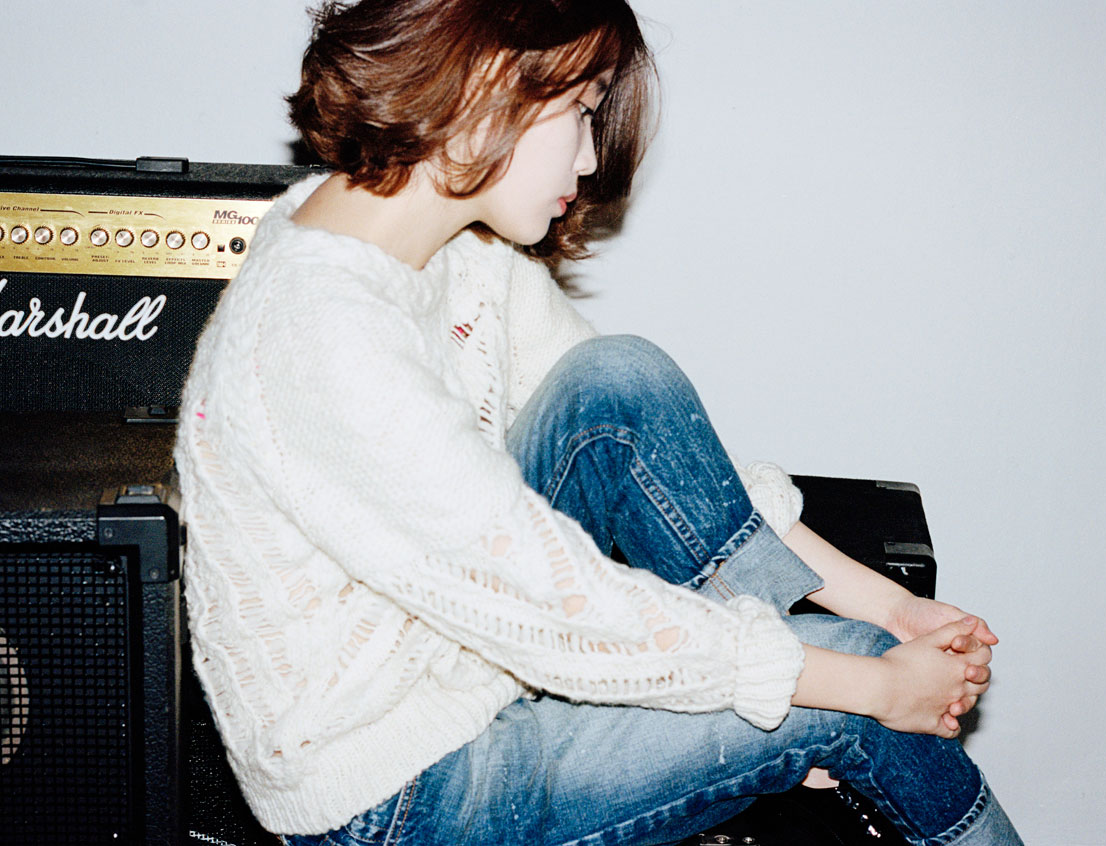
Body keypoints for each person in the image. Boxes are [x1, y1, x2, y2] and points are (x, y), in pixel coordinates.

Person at [174, 1, 1023, 843]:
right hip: (395, 793)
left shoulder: (447, 245)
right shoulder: (323, 334)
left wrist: (894, 611)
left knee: (619, 380)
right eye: (582, 110)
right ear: (487, 84)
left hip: (459, 669)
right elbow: (555, 606)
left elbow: (665, 463)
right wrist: (870, 686)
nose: (588, 156)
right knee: (850, 690)